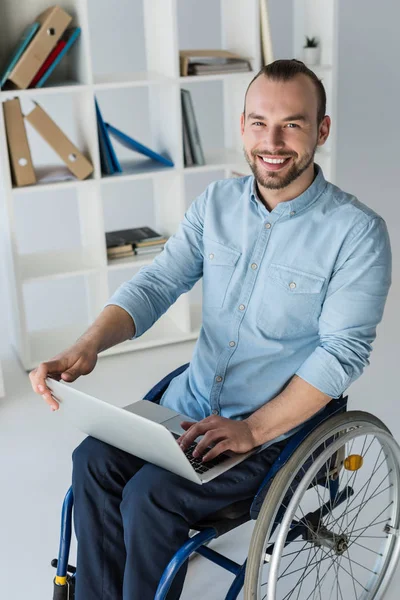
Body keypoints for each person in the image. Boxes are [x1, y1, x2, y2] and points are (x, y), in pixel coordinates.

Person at [29, 59, 392, 599]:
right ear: (242, 124)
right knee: (92, 462)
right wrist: (86, 347)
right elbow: (158, 282)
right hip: (190, 404)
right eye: (259, 122)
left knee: (149, 497)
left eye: (292, 124)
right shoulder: (216, 204)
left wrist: (252, 430)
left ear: (321, 129)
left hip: (274, 429)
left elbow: (340, 354)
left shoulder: (357, 233)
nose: (272, 141)